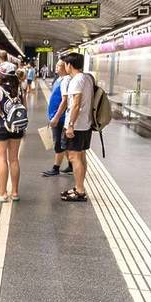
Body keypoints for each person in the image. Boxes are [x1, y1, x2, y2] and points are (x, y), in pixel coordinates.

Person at [0, 62, 25, 202]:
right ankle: (15, 193)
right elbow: (24, 106)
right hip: (16, 126)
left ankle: (2, 193)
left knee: (2, 159)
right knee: (14, 159)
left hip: (1, 128)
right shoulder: (18, 88)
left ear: (1, 75)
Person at [61, 52, 94, 202]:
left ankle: (80, 191)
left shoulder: (76, 80)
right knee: (81, 156)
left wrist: (70, 126)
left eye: (65, 64)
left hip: (77, 125)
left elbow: (75, 105)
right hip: (85, 124)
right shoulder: (87, 78)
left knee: (74, 157)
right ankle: (79, 186)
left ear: (70, 65)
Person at [41, 57, 72, 176]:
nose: (56, 67)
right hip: (56, 115)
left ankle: (56, 168)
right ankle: (71, 165)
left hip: (60, 118)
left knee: (58, 142)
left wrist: (56, 117)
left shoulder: (65, 81)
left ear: (66, 67)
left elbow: (64, 101)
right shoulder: (59, 79)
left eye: (59, 66)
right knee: (64, 143)